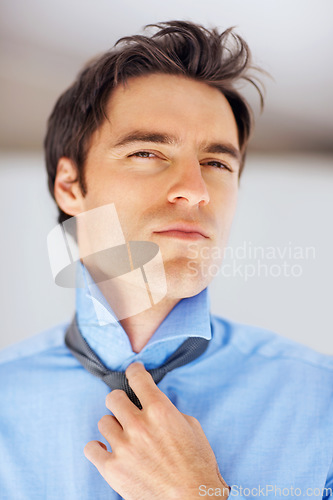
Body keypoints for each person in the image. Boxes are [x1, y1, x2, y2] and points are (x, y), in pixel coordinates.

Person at [0, 20, 332, 500]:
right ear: (70, 186)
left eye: (217, 163)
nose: (195, 191)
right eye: (148, 152)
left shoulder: (322, 403)